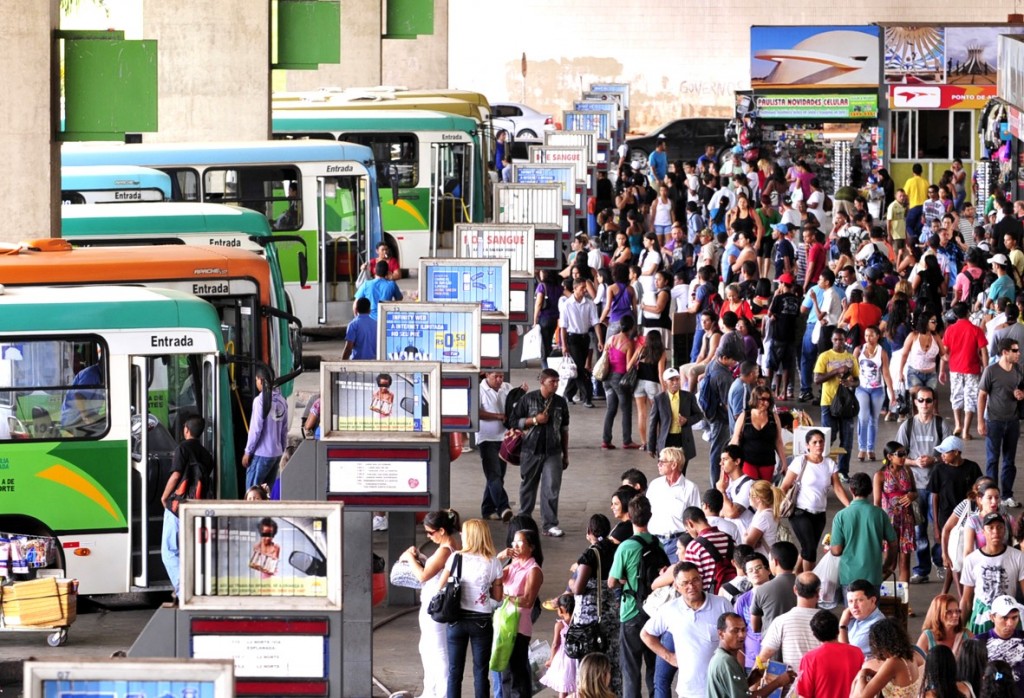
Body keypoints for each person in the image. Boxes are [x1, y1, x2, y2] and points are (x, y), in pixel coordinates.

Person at [640, 561, 732, 698]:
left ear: (701, 580)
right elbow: (646, 634)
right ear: (677, 586)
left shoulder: (722, 604)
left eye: (695, 580)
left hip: (721, 688)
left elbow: (737, 637)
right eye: (685, 583)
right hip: (689, 691)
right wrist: (669, 657)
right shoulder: (669, 609)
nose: (691, 586)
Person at [439, 519, 503, 698]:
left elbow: (441, 587)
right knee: (481, 672)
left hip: (456, 620)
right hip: (481, 621)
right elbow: (498, 597)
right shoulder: (493, 562)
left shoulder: (455, 558)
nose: (460, 534)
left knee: (454, 672)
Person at [401, 510, 460, 698]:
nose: (428, 536)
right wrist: (421, 558)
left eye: (430, 532)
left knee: (438, 650)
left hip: (436, 606)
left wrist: (409, 558)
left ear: (441, 530)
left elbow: (423, 576)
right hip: (433, 604)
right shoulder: (449, 545)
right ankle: (431, 691)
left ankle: (441, 693)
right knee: (427, 648)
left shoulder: (445, 549)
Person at [608, 496, 663, 698]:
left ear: (629, 517)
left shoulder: (625, 547)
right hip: (654, 613)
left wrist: (624, 580)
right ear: (650, 516)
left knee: (630, 669)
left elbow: (611, 582)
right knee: (653, 667)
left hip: (631, 611)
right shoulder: (657, 543)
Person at [509, 368, 571, 537]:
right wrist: (534, 420)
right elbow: (513, 421)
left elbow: (564, 429)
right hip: (530, 450)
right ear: (542, 381)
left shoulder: (560, 402)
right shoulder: (527, 399)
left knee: (551, 488)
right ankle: (524, 521)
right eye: (552, 381)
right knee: (528, 486)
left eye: (557, 381)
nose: (556, 385)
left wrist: (565, 454)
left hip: (553, 451)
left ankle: (550, 524)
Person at [895, 384, 947, 584]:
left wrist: (934, 460)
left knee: (940, 527)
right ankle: (922, 569)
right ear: (915, 403)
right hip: (914, 489)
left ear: (934, 403)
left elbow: (951, 455)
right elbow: (897, 458)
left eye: (929, 400)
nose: (925, 404)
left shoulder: (942, 425)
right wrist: (915, 462)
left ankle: (940, 560)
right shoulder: (907, 426)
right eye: (921, 400)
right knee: (919, 530)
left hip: (937, 488)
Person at [781, 429, 851, 572]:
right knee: (810, 549)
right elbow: (784, 486)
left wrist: (850, 506)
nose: (818, 445)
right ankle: (808, 582)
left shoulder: (829, 464)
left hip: (820, 514)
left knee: (808, 547)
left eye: (821, 442)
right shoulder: (799, 461)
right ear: (807, 446)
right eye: (815, 442)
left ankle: (797, 573)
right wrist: (776, 509)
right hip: (800, 511)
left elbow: (837, 487)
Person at [159, 415, 214, 598]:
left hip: (177, 508)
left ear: (186, 430)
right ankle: (192, 586)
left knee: (169, 552)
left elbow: (176, 476)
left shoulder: (182, 448)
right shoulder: (207, 454)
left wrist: (165, 496)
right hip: (196, 508)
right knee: (188, 550)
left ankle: (183, 589)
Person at [569, 514, 622, 694]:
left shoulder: (592, 553)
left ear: (589, 531)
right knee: (612, 659)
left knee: (589, 662)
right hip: (612, 613)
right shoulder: (617, 549)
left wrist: (571, 583)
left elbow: (578, 589)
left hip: (591, 618)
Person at [930, 436, 984, 593]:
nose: (942, 456)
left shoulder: (972, 468)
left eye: (945, 453)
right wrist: (935, 526)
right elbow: (935, 496)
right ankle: (956, 595)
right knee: (951, 556)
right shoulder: (939, 470)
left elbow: (979, 490)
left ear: (956, 452)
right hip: (947, 517)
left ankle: (946, 592)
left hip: (967, 516)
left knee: (959, 555)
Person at [497, 528, 544, 697]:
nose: (515, 546)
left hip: (518, 626)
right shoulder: (513, 565)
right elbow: (491, 577)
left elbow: (528, 600)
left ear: (531, 547)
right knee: (505, 670)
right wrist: (500, 557)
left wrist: (505, 596)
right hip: (504, 623)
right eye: (513, 542)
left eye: (519, 542)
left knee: (516, 671)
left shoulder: (533, 570)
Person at [978, 337, 1024, 508]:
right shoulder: (991, 371)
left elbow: (1022, 388)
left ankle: (1006, 495)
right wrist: (980, 422)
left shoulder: (1019, 370)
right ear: (1005, 352)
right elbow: (982, 395)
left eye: (1018, 350)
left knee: (1009, 461)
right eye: (1015, 350)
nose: (1018, 353)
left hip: (1012, 421)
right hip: (994, 421)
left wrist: (1021, 394)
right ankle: (991, 496)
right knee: (992, 460)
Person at [959, 513, 1024, 634]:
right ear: (983, 532)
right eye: (991, 528)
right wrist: (958, 630)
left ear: (1004, 530)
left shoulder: (1018, 557)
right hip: (981, 621)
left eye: (999, 527)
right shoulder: (971, 560)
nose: (996, 531)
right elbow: (966, 601)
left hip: (1009, 621)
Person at [707, 611, 795, 698]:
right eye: (735, 631)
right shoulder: (726, 661)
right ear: (721, 634)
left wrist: (751, 680)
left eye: (743, 630)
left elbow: (734, 690)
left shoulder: (721, 657)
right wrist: (778, 682)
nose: (741, 635)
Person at [814, 327, 859, 479]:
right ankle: (823, 469)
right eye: (835, 339)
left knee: (847, 440)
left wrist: (850, 382)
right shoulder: (824, 356)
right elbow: (817, 379)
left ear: (846, 340)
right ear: (831, 340)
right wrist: (835, 371)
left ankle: (843, 471)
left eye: (841, 339)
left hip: (846, 404)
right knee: (827, 438)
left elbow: (858, 381)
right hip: (828, 402)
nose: (838, 342)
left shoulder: (851, 358)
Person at [941, 302, 989, 441]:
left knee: (956, 396)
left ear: (955, 315)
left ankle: (957, 425)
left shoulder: (950, 330)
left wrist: (942, 370)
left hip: (955, 368)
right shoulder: (976, 330)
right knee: (971, 399)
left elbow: (945, 351)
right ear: (968, 313)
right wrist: (986, 369)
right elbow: (984, 351)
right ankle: (966, 431)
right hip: (972, 369)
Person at [755, 571, 824, 666]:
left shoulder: (781, 621)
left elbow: (762, 659)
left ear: (795, 590)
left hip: (794, 680)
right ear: (818, 592)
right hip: (823, 680)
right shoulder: (829, 621)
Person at [646, 446, 701, 562]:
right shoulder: (655, 485)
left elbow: (696, 520)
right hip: (653, 542)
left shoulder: (690, 488)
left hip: (676, 544)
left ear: (674, 465)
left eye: (662, 462)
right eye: (659, 461)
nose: (658, 464)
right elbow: (646, 512)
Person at [871, 444, 915, 583]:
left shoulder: (907, 471)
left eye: (905, 453)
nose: (904, 457)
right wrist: (878, 526)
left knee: (905, 562)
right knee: (890, 563)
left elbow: (914, 491)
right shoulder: (880, 475)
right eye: (900, 454)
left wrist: (911, 496)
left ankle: (904, 599)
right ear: (890, 457)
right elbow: (877, 503)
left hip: (906, 520)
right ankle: (874, 589)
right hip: (888, 521)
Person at [796, 609, 865, 698]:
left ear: (815, 634)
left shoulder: (809, 658)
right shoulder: (857, 652)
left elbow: (805, 694)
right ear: (837, 629)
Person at [850, 618, 925, 698]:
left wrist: (862, 674)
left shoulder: (893, 663)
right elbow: (901, 674)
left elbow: (863, 696)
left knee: (858, 681)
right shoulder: (912, 655)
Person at [477, 371, 516, 522]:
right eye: (496, 377)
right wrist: (497, 416)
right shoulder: (479, 390)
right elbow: (476, 412)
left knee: (498, 475)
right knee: (493, 475)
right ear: (487, 375)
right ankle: (503, 507)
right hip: (486, 438)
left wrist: (520, 392)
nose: (499, 380)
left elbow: (515, 404)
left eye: (501, 376)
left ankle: (487, 509)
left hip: (504, 437)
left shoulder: (507, 388)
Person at [242, 365, 288, 491]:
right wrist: (281, 449)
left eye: (256, 380)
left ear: (260, 380)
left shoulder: (260, 401)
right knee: (266, 493)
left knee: (252, 492)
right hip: (276, 454)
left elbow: (256, 429)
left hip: (261, 454)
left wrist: (247, 452)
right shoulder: (282, 401)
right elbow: (284, 430)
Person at [854, 326, 895, 461]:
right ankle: (862, 448)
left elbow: (886, 374)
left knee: (873, 419)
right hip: (862, 388)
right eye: (866, 335)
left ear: (878, 336)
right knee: (863, 416)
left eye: (871, 335)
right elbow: (853, 368)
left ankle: (870, 449)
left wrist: (892, 394)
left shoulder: (882, 352)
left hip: (878, 389)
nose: (868, 338)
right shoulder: (858, 350)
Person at [729, 386, 786, 482]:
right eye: (762, 399)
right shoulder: (745, 416)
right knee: (751, 488)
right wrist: (728, 458)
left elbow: (778, 441)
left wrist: (784, 462)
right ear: (755, 399)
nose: (766, 403)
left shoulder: (774, 417)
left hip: (768, 461)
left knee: (765, 492)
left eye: (768, 399)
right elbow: (735, 439)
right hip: (748, 460)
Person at [699, 351, 739, 486]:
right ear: (723, 358)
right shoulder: (724, 376)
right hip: (721, 419)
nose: (735, 362)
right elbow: (728, 404)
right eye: (733, 358)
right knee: (718, 453)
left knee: (717, 450)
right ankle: (716, 484)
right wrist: (737, 419)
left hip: (714, 417)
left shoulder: (713, 365)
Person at [601, 314, 640, 450]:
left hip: (607, 378)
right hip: (620, 379)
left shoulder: (611, 339)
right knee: (626, 409)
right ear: (631, 327)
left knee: (611, 409)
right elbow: (629, 366)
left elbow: (605, 357)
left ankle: (606, 440)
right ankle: (627, 440)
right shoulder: (628, 344)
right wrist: (638, 353)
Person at [647, 368, 703, 463]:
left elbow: (699, 415)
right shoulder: (659, 400)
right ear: (665, 383)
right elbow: (653, 424)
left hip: (683, 440)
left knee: (681, 470)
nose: (675, 382)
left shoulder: (688, 397)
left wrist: (687, 420)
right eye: (672, 380)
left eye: (677, 379)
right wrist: (651, 447)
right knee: (666, 468)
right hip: (666, 440)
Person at [750, 541, 799, 635]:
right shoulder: (805, 585)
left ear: (775, 561)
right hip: (799, 643)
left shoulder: (762, 590)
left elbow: (755, 627)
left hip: (772, 646)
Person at [682, 506, 736, 593]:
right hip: (734, 593)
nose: (689, 534)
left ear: (690, 524)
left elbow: (691, 580)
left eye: (687, 530)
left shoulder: (693, 547)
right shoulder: (729, 539)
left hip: (712, 599)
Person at [979, 596, 1024, 698]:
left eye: (1014, 617)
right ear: (992, 617)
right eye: (1005, 618)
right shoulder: (980, 642)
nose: (1010, 623)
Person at [629, 329, 667, 447]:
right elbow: (661, 373)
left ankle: (644, 442)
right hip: (653, 384)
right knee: (656, 414)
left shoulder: (641, 349)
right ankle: (655, 442)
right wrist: (665, 389)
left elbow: (629, 366)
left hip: (639, 383)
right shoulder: (661, 352)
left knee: (641, 414)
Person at [540, 594, 577, 698]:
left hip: (564, 658)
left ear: (561, 610)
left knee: (563, 686)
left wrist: (551, 660)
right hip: (576, 656)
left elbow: (555, 644)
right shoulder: (577, 622)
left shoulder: (560, 625)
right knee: (578, 683)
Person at [840, 579, 886, 660]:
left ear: (872, 600)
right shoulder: (855, 617)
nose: (854, 606)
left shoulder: (876, 626)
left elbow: (844, 654)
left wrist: (842, 626)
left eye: (859, 600)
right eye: (850, 601)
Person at [916, 593, 972, 658]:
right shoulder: (927, 637)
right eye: (949, 612)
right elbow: (916, 663)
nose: (955, 615)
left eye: (957, 611)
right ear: (938, 614)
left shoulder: (966, 634)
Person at [744, 480, 782, 559]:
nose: (748, 497)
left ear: (758, 499)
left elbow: (748, 544)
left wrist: (746, 536)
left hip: (763, 559)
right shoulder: (765, 513)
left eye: (750, 495)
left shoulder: (763, 517)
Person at [340, 296, 378, 361]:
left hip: (357, 362)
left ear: (356, 309)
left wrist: (341, 363)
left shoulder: (353, 325)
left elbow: (348, 348)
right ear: (369, 310)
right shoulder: (376, 324)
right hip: (374, 362)